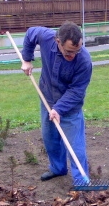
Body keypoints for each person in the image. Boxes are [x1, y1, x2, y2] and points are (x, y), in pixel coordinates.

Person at [20, 22, 93, 183]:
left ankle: (82, 182)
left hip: (70, 108)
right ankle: (58, 168)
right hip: (47, 97)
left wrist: (59, 109)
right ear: (57, 41)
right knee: (50, 139)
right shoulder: (46, 37)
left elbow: (77, 91)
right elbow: (31, 32)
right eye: (69, 52)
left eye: (77, 50)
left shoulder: (84, 61)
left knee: (76, 147)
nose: (73, 55)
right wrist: (27, 59)